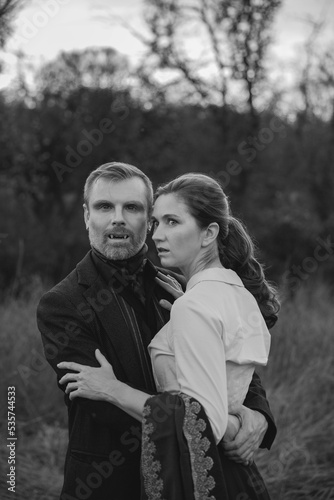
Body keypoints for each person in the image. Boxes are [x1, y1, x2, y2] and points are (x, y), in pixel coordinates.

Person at [37, 163, 278, 500]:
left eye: (132, 207)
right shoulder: (61, 304)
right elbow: (101, 406)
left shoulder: (183, 288)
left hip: (204, 473)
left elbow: (231, 362)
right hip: (110, 483)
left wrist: (257, 415)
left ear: (148, 219)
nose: (117, 218)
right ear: (86, 215)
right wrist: (221, 426)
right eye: (104, 206)